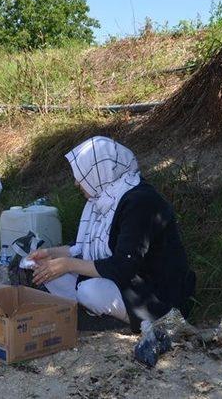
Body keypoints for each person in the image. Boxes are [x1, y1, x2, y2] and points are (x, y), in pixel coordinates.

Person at [28, 136, 196, 332]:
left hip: (154, 291)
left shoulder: (140, 202)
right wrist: (51, 254)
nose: (76, 183)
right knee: (44, 270)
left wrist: (67, 264)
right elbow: (82, 248)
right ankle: (95, 311)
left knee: (88, 290)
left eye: (82, 175)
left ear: (101, 170)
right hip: (122, 280)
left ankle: (136, 321)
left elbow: (123, 266)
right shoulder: (103, 199)